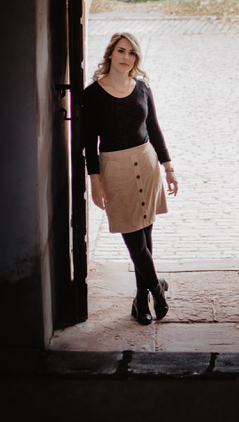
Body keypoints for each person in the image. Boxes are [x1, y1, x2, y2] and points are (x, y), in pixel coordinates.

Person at [83, 32, 178, 324]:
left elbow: (155, 129)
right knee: (134, 239)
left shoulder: (142, 89)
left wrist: (168, 168)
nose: (126, 58)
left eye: (132, 53)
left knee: (146, 235)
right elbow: (89, 141)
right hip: (115, 169)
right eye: (121, 51)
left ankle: (140, 301)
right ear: (110, 54)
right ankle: (156, 289)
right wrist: (94, 180)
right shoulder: (93, 94)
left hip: (147, 164)